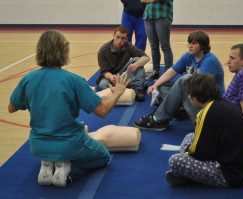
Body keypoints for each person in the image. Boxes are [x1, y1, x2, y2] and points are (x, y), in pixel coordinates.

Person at [8, 30, 130, 187]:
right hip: (69, 145)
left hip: (38, 146)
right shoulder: (73, 80)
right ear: (63, 51)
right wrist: (118, 93)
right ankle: (69, 169)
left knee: (56, 149)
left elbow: (12, 107)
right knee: (104, 156)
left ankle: (49, 163)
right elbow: (102, 111)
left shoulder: (28, 79)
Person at [165, 74, 243, 188]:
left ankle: (184, 174)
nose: (188, 98)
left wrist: (186, 156)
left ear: (196, 97)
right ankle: (186, 174)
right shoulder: (220, 103)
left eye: (189, 95)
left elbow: (200, 153)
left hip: (229, 176)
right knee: (190, 136)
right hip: (242, 170)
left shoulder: (205, 113)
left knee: (175, 160)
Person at [134, 30, 225, 130]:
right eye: (189, 43)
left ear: (203, 46)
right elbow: (172, 71)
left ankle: (159, 119)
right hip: (193, 96)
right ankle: (180, 107)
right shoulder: (189, 55)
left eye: (194, 43)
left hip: (207, 104)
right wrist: (155, 85)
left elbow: (200, 89)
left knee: (185, 79)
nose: (190, 46)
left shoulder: (209, 61)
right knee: (162, 83)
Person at [96, 26, 150, 101]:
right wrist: (112, 77)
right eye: (117, 37)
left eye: (123, 38)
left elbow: (146, 57)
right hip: (109, 76)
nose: (120, 40)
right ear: (113, 36)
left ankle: (138, 89)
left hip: (122, 74)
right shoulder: (103, 50)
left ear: (126, 39)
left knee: (137, 60)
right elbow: (104, 71)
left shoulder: (128, 46)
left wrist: (135, 65)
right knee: (103, 85)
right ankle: (136, 84)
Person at [141, 0, 174, 79]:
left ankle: (168, 74)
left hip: (162, 15)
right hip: (148, 16)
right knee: (154, 46)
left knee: (165, 46)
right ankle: (156, 72)